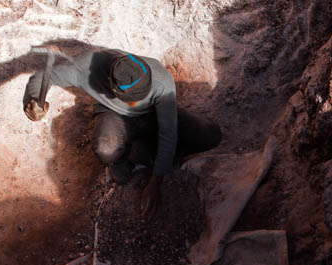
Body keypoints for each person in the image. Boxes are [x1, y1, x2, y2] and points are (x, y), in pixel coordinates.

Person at [23, 46, 221, 217]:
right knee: (107, 150)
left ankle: (145, 151)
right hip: (114, 114)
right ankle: (123, 158)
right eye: (133, 100)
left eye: (145, 94)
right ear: (112, 85)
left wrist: (155, 182)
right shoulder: (86, 67)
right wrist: (33, 100)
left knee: (210, 136)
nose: (139, 101)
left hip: (153, 114)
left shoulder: (161, 79)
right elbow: (42, 76)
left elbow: (168, 134)